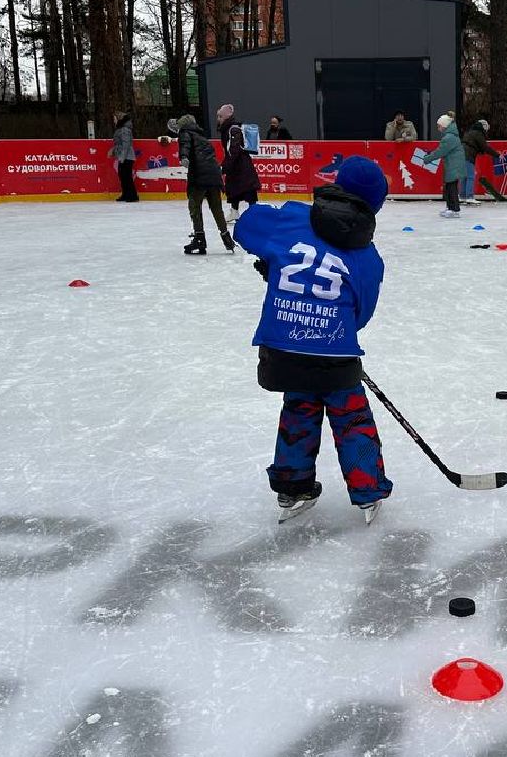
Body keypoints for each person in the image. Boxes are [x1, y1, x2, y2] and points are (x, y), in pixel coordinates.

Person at [233, 156, 393, 524]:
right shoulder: (368, 257)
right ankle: (368, 491)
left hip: (282, 351)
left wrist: (274, 258)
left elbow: (246, 225)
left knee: (299, 410)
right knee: (352, 418)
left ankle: (292, 488)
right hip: (336, 353)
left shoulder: (290, 219)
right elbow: (362, 314)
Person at [160, 114, 234, 254]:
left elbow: (185, 144)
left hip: (199, 177)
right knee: (217, 209)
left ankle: (199, 239)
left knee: (194, 206)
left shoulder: (185, 133)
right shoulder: (202, 137)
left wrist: (183, 157)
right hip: (214, 176)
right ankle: (227, 239)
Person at [423, 114, 467, 217]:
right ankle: (450, 207)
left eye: (439, 126)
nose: (438, 128)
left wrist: (427, 159)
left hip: (454, 165)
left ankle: (454, 209)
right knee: (448, 187)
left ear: (444, 126)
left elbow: (440, 152)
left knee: (451, 188)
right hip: (452, 164)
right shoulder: (450, 136)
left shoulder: (449, 138)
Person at [222, 124, 261, 223]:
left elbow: (234, 149)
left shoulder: (233, 130)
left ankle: (253, 212)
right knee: (236, 188)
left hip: (239, 166)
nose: (218, 119)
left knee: (247, 189)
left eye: (220, 116)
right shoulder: (233, 129)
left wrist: (226, 165)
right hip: (240, 165)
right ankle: (235, 211)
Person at [460, 118, 501, 205]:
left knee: (464, 177)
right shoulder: (478, 133)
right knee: (470, 176)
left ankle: (462, 196)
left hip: (461, 154)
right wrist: (497, 155)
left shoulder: (470, 132)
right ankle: (469, 197)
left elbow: (474, 145)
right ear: (483, 127)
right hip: (468, 155)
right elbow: (485, 147)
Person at [109, 112, 139, 202]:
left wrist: (122, 157)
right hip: (123, 156)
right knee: (123, 176)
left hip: (127, 157)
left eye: (115, 118)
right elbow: (119, 144)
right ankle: (126, 194)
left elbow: (126, 144)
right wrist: (114, 151)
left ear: (119, 119)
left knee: (127, 176)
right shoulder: (121, 129)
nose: (114, 120)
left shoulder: (124, 129)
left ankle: (132, 195)